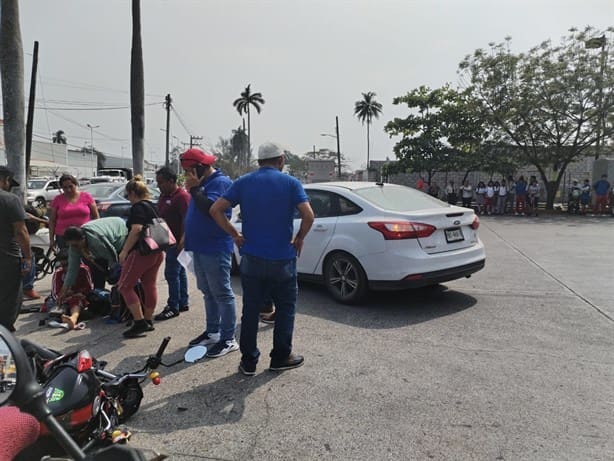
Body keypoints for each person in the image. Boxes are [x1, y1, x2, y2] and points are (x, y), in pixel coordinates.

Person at [210, 141, 314, 376]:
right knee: (286, 309)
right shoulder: (291, 183)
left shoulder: (244, 182)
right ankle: (280, 357)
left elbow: (215, 210)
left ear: (259, 162)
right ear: (281, 160)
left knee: (251, 310)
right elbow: (309, 215)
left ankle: (248, 362)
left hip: (252, 259)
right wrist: (299, 238)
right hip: (283, 260)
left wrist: (235, 235)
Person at [181, 147, 239, 358]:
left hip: (214, 247)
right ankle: (213, 331)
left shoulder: (220, 183)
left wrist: (195, 190)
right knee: (208, 292)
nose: (186, 175)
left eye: (189, 170)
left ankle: (228, 338)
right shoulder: (202, 185)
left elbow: (211, 209)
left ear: (200, 168)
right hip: (199, 246)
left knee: (222, 293)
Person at [117, 176, 165, 338]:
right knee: (149, 285)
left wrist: (124, 251)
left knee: (124, 286)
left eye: (127, 195)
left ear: (132, 193)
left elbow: (136, 230)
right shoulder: (153, 206)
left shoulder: (138, 207)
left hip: (141, 253)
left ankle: (139, 323)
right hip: (157, 251)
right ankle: (148, 320)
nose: (128, 199)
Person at [153, 167, 191, 321]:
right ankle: (182, 301)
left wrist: (183, 238)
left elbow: (187, 219)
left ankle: (173, 306)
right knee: (179, 272)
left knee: (171, 273)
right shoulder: (164, 195)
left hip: (178, 241)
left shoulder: (181, 196)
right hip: (166, 240)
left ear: (171, 181)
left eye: (161, 182)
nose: (159, 185)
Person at [0, 167, 32, 332]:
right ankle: (4, 334)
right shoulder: (10, 199)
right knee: (10, 297)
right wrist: (28, 257)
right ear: (5, 179)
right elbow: (21, 231)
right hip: (7, 257)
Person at [61, 217, 127, 296]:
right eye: (71, 246)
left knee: (117, 275)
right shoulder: (74, 247)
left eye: (76, 245)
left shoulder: (96, 241)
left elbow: (112, 258)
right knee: (97, 274)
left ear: (83, 239)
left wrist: (115, 275)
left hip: (120, 233)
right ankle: (99, 298)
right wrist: (64, 289)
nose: (75, 248)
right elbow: (72, 269)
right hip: (103, 245)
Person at [48, 173, 99, 250]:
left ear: (76, 185)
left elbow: (96, 217)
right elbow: (52, 221)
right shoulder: (57, 199)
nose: (68, 190)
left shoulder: (86, 196)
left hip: (84, 235)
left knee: (86, 259)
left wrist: (97, 234)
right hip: (63, 237)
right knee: (67, 260)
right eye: (65, 187)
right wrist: (51, 239)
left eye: (71, 186)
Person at [51, 249, 93, 330]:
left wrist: (81, 293)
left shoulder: (84, 270)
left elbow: (89, 287)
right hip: (64, 300)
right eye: (63, 265)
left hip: (80, 298)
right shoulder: (59, 272)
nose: (66, 268)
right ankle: (73, 318)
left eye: (67, 265)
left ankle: (73, 319)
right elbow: (55, 294)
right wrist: (68, 295)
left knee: (76, 300)